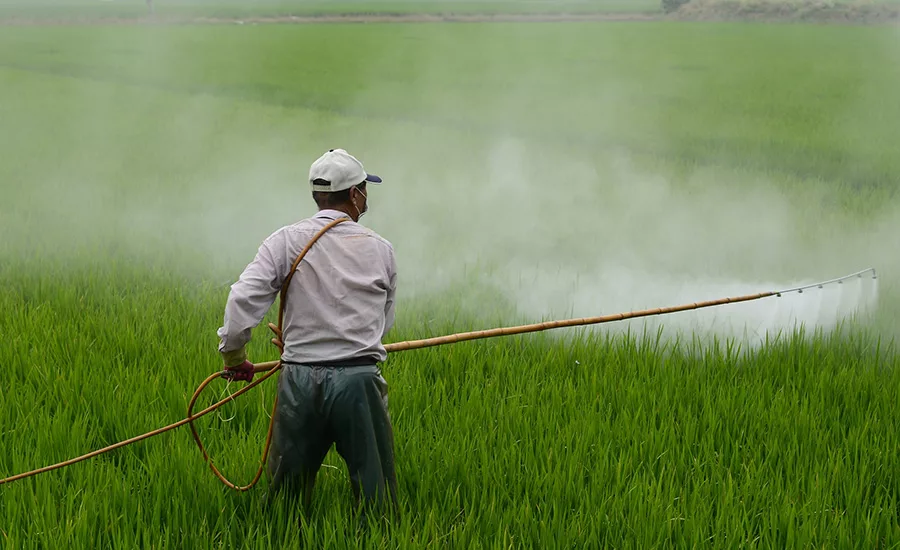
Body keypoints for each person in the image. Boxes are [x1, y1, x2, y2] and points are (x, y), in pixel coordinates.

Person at [215, 148, 399, 523]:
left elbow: (243, 299)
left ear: (318, 196)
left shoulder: (284, 241)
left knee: (286, 502)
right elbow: (382, 326)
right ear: (354, 194)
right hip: (359, 382)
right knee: (375, 494)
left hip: (299, 380)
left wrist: (234, 358)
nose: (366, 196)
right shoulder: (380, 249)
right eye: (364, 189)